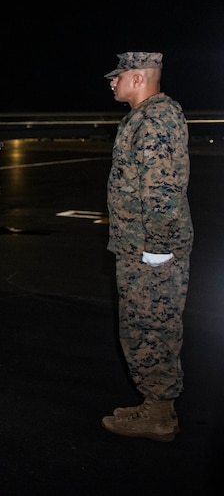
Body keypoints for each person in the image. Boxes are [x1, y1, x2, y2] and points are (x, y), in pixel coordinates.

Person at [100, 52, 192, 442]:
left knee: (151, 328)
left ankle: (157, 415)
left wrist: (156, 246)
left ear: (137, 78)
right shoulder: (149, 115)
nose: (111, 83)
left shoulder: (154, 118)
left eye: (117, 77)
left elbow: (160, 189)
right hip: (140, 245)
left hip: (150, 249)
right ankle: (156, 406)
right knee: (144, 327)